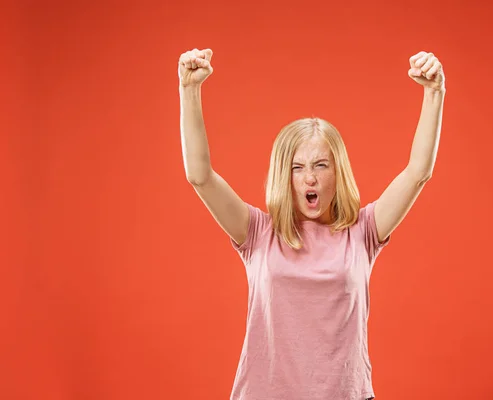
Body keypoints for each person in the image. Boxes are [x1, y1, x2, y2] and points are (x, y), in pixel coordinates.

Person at [178, 48, 445, 400]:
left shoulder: (363, 232)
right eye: (297, 167)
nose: (310, 179)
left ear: (338, 172)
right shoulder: (258, 234)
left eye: (321, 165)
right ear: (283, 176)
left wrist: (434, 92)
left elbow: (417, 173)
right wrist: (189, 90)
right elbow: (200, 177)